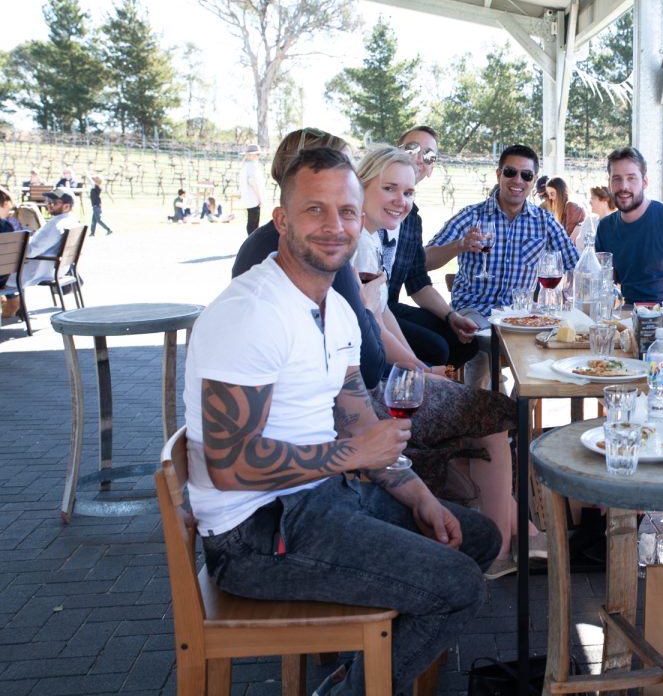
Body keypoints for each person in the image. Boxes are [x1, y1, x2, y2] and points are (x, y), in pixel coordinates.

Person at [184, 146, 500, 695]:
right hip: (256, 534)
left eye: (347, 212)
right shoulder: (251, 313)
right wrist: (356, 456)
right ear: (282, 219)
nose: (334, 227)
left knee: (475, 537)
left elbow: (356, 420)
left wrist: (419, 496)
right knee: (458, 585)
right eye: (315, 210)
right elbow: (229, 466)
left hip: (321, 496)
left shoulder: (335, 308)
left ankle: (364, 672)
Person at [354, 144, 540, 576]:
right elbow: (374, 320)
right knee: (494, 416)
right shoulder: (360, 245)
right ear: (360, 186)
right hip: (360, 396)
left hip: (374, 379)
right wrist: (416, 371)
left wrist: (415, 366)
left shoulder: (376, 236)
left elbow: (380, 312)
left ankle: (508, 527)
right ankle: (494, 551)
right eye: (389, 189)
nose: (401, 200)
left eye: (408, 192)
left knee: (479, 408)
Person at [232, 127, 390, 391]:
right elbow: (370, 370)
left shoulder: (261, 239)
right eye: (341, 165)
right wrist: (369, 307)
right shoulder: (323, 251)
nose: (353, 177)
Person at [426, 144, 579, 388]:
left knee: (546, 364)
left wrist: (570, 291)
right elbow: (423, 260)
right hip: (474, 311)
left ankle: (511, 419)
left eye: (526, 175)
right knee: (484, 355)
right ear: (499, 175)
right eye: (510, 172)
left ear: (533, 181)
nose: (517, 180)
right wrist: (459, 245)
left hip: (522, 316)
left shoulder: (544, 221)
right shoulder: (471, 216)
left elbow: (576, 266)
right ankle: (485, 415)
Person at [383, 126, 480, 370]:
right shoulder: (375, 206)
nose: (419, 158)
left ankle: (428, 391)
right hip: (371, 309)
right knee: (437, 348)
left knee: (467, 342)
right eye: (413, 148)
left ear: (431, 168)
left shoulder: (412, 219)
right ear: (396, 151)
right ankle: (410, 387)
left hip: (389, 306)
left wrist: (452, 316)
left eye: (429, 155)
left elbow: (418, 281)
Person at [595, 146, 663, 304]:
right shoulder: (605, 228)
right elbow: (603, 281)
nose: (624, 186)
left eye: (631, 178)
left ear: (644, 182)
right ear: (609, 184)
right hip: (627, 316)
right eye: (616, 179)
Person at [21, 188, 79, 286]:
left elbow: (31, 252)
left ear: (66, 206)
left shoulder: (56, 225)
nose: (48, 205)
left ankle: (18, 301)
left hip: (39, 270)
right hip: (59, 269)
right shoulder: (72, 221)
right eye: (48, 201)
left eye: (53, 203)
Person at [238, 143, 266, 236]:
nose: (258, 156)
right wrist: (260, 198)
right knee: (253, 223)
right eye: (256, 154)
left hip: (249, 198)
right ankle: (252, 242)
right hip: (254, 198)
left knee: (251, 221)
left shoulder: (245, 165)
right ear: (251, 155)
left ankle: (250, 241)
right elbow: (254, 183)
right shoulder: (252, 166)